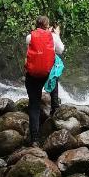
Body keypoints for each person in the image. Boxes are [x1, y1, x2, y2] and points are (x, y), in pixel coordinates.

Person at [24, 15, 65, 144]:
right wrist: (57, 34)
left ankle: (35, 140)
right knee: (55, 71)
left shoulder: (30, 37)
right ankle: (54, 106)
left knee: (34, 106)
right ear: (48, 26)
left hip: (33, 75)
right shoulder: (53, 36)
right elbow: (60, 50)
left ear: (36, 25)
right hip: (48, 75)